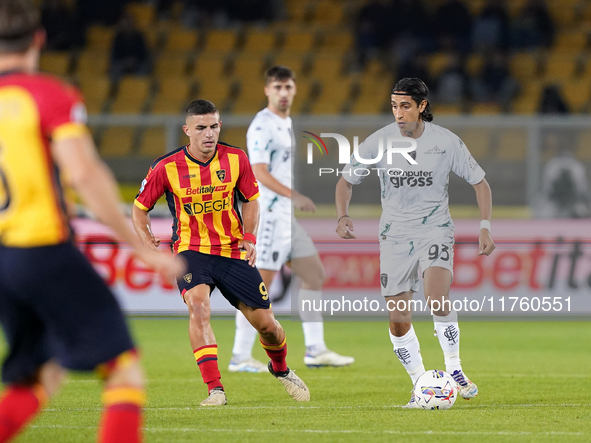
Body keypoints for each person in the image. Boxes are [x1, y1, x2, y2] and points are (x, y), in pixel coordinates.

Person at [0, 1, 184, 442]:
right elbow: (83, 173)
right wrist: (140, 247)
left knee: (39, 375)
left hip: (3, 260)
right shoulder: (49, 95)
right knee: (123, 369)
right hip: (42, 249)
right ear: (39, 39)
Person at [131, 99, 310, 406]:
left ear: (220, 126)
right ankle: (215, 389)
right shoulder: (166, 167)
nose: (208, 134)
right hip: (191, 250)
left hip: (231, 251)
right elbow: (139, 210)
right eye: (200, 128)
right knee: (198, 308)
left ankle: (280, 369)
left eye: (213, 126)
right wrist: (147, 241)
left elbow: (252, 199)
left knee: (267, 326)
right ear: (188, 131)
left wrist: (250, 237)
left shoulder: (236, 159)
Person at [335, 78, 495, 408]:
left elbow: (481, 184)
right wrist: (342, 215)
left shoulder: (445, 142)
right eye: (394, 106)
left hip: (434, 229)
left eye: (405, 105)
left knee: (436, 297)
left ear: (422, 106)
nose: (398, 112)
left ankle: (455, 369)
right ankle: (420, 382)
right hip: (393, 236)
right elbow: (346, 181)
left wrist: (484, 226)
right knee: (398, 319)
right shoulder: (378, 141)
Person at [228, 66, 354, 373]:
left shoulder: (285, 122)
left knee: (314, 274)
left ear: (295, 89)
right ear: (267, 90)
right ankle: (240, 355)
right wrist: (293, 195)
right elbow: (258, 171)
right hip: (270, 214)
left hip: (286, 217)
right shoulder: (262, 125)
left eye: (288, 87)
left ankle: (315, 350)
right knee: (259, 288)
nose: (283, 93)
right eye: (278, 87)